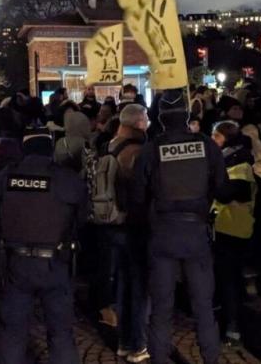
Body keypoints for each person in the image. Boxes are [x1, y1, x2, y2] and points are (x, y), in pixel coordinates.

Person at [133, 89, 228, 364]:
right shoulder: (207, 145)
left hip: (162, 233)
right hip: (196, 232)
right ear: (187, 116)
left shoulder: (151, 150)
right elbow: (222, 188)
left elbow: (137, 197)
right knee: (203, 308)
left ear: (161, 119)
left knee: (162, 309)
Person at [0, 128, 87, 364]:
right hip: (55, 263)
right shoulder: (66, 178)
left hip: (17, 263)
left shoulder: (6, 176)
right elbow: (82, 217)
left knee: (13, 333)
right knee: (61, 333)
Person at [104, 104, 149, 362]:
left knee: (122, 284)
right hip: (133, 224)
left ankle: (123, 340)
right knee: (139, 286)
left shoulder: (110, 145)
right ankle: (138, 345)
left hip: (112, 224)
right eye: (146, 120)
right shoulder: (137, 151)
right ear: (138, 123)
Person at [210, 121, 256, 347]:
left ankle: (233, 326)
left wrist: (211, 183)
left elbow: (230, 192)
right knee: (229, 278)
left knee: (229, 279)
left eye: (215, 136)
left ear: (225, 138)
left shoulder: (239, 162)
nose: (212, 140)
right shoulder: (232, 158)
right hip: (228, 225)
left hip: (232, 226)